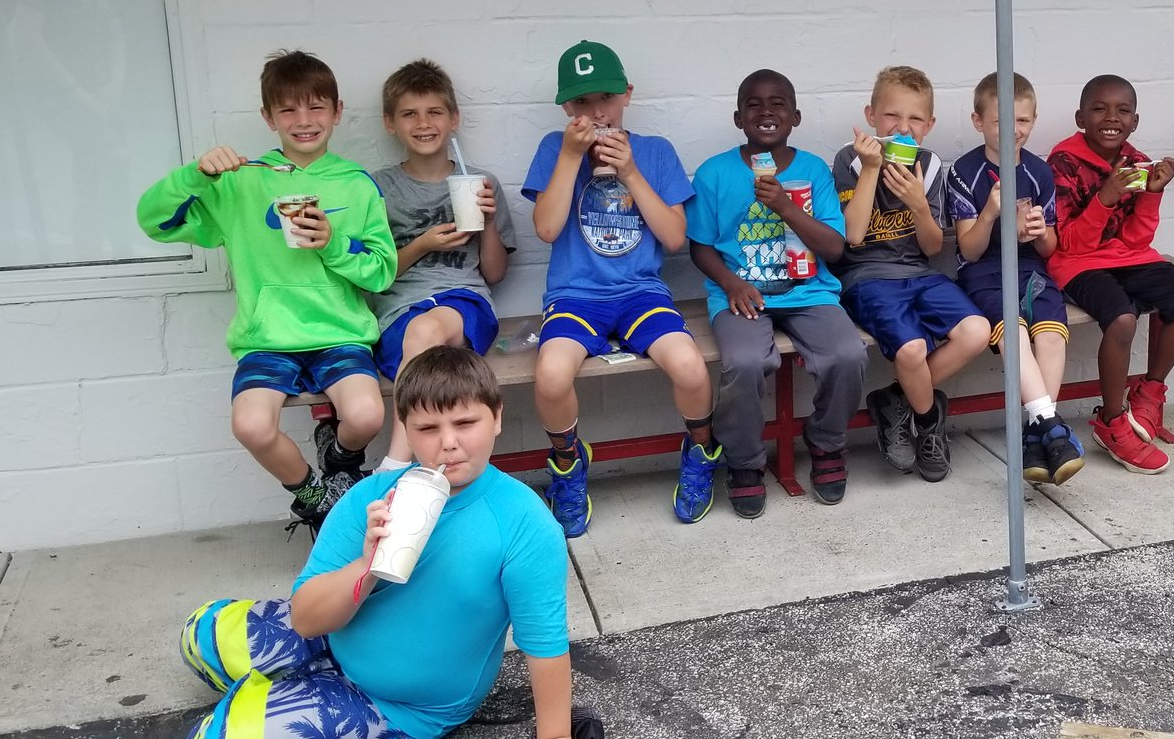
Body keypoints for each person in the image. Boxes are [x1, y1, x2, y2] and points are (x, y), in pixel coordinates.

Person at [174, 346, 601, 739]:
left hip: (405, 707)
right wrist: (369, 564)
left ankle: (276, 693)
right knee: (200, 633)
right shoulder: (371, 496)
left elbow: (545, 644)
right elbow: (305, 619)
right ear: (406, 428)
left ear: (496, 418)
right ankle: (286, 686)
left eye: (465, 423)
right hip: (335, 638)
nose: (448, 442)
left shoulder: (525, 523)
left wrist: (555, 738)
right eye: (427, 428)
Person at [136, 50, 394, 533]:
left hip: (340, 333)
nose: (304, 120)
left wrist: (332, 243)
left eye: (316, 107)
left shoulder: (357, 185)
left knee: (365, 416)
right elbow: (154, 221)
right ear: (268, 117)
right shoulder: (238, 182)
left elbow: (381, 272)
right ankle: (313, 495)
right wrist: (195, 176)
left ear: (337, 112)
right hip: (267, 339)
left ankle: (340, 460)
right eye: (288, 110)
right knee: (251, 425)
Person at [522, 41, 720, 534]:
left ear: (627, 95)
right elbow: (546, 229)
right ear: (566, 108)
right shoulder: (554, 148)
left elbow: (674, 238)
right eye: (582, 102)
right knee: (551, 375)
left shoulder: (654, 151)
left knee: (690, 366)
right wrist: (571, 156)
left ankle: (701, 453)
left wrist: (630, 171)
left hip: (640, 292)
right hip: (575, 296)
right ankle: (568, 464)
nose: (596, 113)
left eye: (606, 98)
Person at [689, 69, 865, 513]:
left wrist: (785, 206)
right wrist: (730, 282)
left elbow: (834, 248)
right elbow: (700, 247)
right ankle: (745, 461)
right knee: (745, 362)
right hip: (742, 293)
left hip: (809, 293)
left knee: (848, 355)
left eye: (777, 103)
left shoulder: (813, 170)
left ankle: (826, 443)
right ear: (738, 118)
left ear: (796, 116)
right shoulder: (713, 173)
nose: (765, 111)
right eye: (753, 104)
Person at [833, 66, 990, 482]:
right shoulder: (850, 159)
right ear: (871, 115)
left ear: (929, 125)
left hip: (918, 273)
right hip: (866, 277)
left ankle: (894, 400)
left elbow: (933, 247)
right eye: (891, 116)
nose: (903, 128)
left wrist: (919, 203)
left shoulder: (930, 164)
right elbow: (852, 236)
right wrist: (871, 169)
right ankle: (929, 423)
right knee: (911, 350)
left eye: (915, 119)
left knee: (977, 331)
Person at [1048, 75, 1174, 474]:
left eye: (1122, 111)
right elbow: (1069, 244)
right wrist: (1106, 197)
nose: (1111, 118)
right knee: (1122, 319)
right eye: (1099, 109)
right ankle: (1111, 421)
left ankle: (1149, 392)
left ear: (1134, 121)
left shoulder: (1137, 161)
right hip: (1077, 263)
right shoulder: (1063, 163)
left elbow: (1136, 240)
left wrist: (1153, 193)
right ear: (1080, 118)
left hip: (1129, 257)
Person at [368, 59, 514, 474]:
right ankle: (438, 464)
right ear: (390, 123)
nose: (423, 123)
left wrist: (488, 221)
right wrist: (422, 245)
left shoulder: (481, 182)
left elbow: (495, 273)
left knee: (426, 330)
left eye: (434, 112)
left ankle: (397, 462)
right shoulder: (377, 189)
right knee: (420, 331)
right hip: (397, 313)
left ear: (454, 119)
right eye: (409, 114)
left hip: (465, 305)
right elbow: (373, 276)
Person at [951, 73, 1085, 485]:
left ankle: (1036, 434)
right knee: (1015, 331)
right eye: (1001, 121)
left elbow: (1049, 248)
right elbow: (970, 250)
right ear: (978, 121)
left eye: (1022, 121)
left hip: (1031, 270)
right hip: (984, 273)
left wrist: (1040, 232)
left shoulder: (1039, 172)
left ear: (1034, 120)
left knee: (1051, 334)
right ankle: (1051, 427)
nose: (1013, 130)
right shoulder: (965, 171)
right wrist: (991, 213)